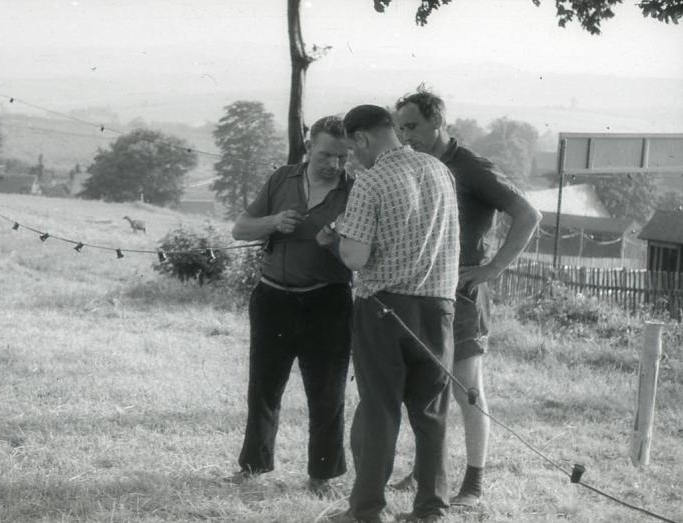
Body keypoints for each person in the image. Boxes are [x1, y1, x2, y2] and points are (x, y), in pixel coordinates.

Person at [389, 86, 541, 507]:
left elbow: (529, 214)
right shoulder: (411, 164)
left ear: (438, 121)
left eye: (414, 126)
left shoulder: (470, 166)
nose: (406, 136)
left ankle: (473, 483)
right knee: (422, 386)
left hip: (463, 295)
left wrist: (492, 269)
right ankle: (424, 470)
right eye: (400, 128)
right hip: (419, 291)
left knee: (466, 387)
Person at [329, 104, 460, 523]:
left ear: (362, 138)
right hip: (439, 308)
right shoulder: (441, 172)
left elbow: (354, 256)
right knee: (432, 414)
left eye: (352, 149)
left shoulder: (370, 181)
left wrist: (335, 237)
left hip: (384, 308)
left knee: (380, 410)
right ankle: (432, 509)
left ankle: (366, 510)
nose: (353, 158)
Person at [229, 115, 354, 496]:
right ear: (308, 149)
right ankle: (253, 467)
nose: (334, 164)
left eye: (342, 156)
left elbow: (362, 258)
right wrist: (273, 221)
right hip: (272, 298)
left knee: (327, 392)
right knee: (264, 387)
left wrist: (333, 243)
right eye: (326, 155)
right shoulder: (281, 179)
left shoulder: (357, 190)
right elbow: (240, 228)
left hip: (327, 301)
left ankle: (322, 477)